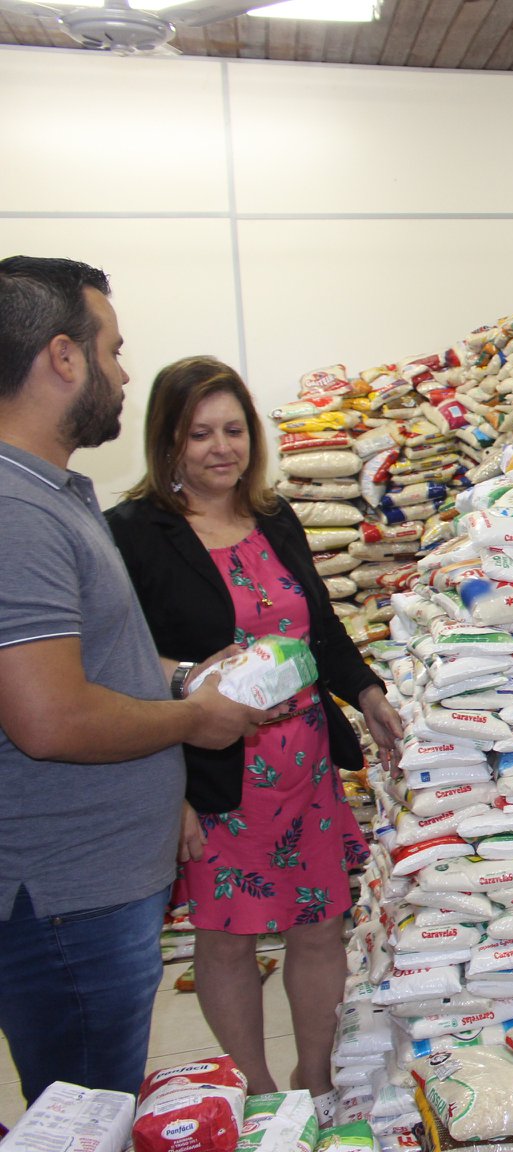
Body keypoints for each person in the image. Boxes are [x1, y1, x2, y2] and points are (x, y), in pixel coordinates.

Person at [0, 257, 274, 1103]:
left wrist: (187, 675)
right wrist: (194, 722)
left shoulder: (52, 494)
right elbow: (49, 718)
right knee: (88, 1107)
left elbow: (88, 663)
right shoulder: (16, 512)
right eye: (112, 350)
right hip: (68, 896)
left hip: (95, 881)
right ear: (63, 357)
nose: (123, 372)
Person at [106, 355, 402, 1118]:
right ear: (166, 441)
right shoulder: (135, 534)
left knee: (318, 925)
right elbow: (123, 662)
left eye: (234, 429)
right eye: (198, 432)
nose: (220, 448)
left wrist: (367, 693)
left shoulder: (274, 517)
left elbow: (323, 629)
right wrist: (164, 790)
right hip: (211, 773)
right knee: (229, 936)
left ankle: (317, 1075)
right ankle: (257, 1092)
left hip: (303, 766)